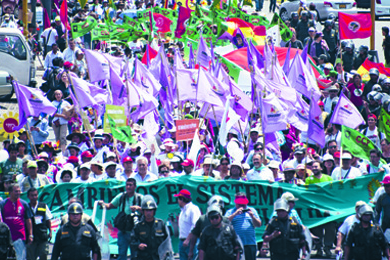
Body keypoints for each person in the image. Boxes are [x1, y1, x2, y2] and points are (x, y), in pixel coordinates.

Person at [99, 178, 143, 260]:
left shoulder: (140, 198)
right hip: (123, 231)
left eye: (130, 185)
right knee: (122, 255)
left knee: (136, 256)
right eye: (127, 185)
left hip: (136, 232)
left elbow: (147, 212)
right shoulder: (121, 196)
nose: (128, 187)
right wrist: (102, 204)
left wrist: (138, 208)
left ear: (135, 186)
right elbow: (109, 206)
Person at [130, 195, 173, 260]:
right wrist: (138, 245)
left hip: (158, 257)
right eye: (146, 210)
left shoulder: (160, 224)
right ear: (143, 211)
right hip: (143, 257)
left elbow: (167, 241)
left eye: (150, 210)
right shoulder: (138, 226)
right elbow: (132, 242)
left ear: (154, 211)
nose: (148, 213)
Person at [0, 184, 33, 259]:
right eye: (16, 191)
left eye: (19, 191)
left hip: (20, 237)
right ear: (10, 192)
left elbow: (28, 220)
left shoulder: (24, 204)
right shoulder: (3, 204)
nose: (18, 193)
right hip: (6, 238)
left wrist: (30, 235)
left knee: (20, 258)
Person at [225, 192, 262, 260]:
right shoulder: (230, 211)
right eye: (240, 204)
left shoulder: (252, 210)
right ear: (236, 203)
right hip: (236, 243)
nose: (242, 206)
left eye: (243, 204)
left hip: (250, 243)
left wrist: (252, 216)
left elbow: (259, 224)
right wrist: (235, 214)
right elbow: (224, 222)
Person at [174, 189, 201, 260]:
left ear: (182, 199)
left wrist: (188, 239)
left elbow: (195, 226)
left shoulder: (193, 209)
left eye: (178, 199)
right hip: (182, 241)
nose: (178, 201)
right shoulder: (182, 211)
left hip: (191, 242)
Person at [27, 188, 52, 260]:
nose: (34, 197)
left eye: (35, 195)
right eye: (32, 195)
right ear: (28, 196)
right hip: (31, 237)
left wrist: (50, 231)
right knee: (31, 256)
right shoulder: (26, 207)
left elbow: (48, 220)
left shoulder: (43, 206)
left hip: (42, 235)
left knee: (44, 254)